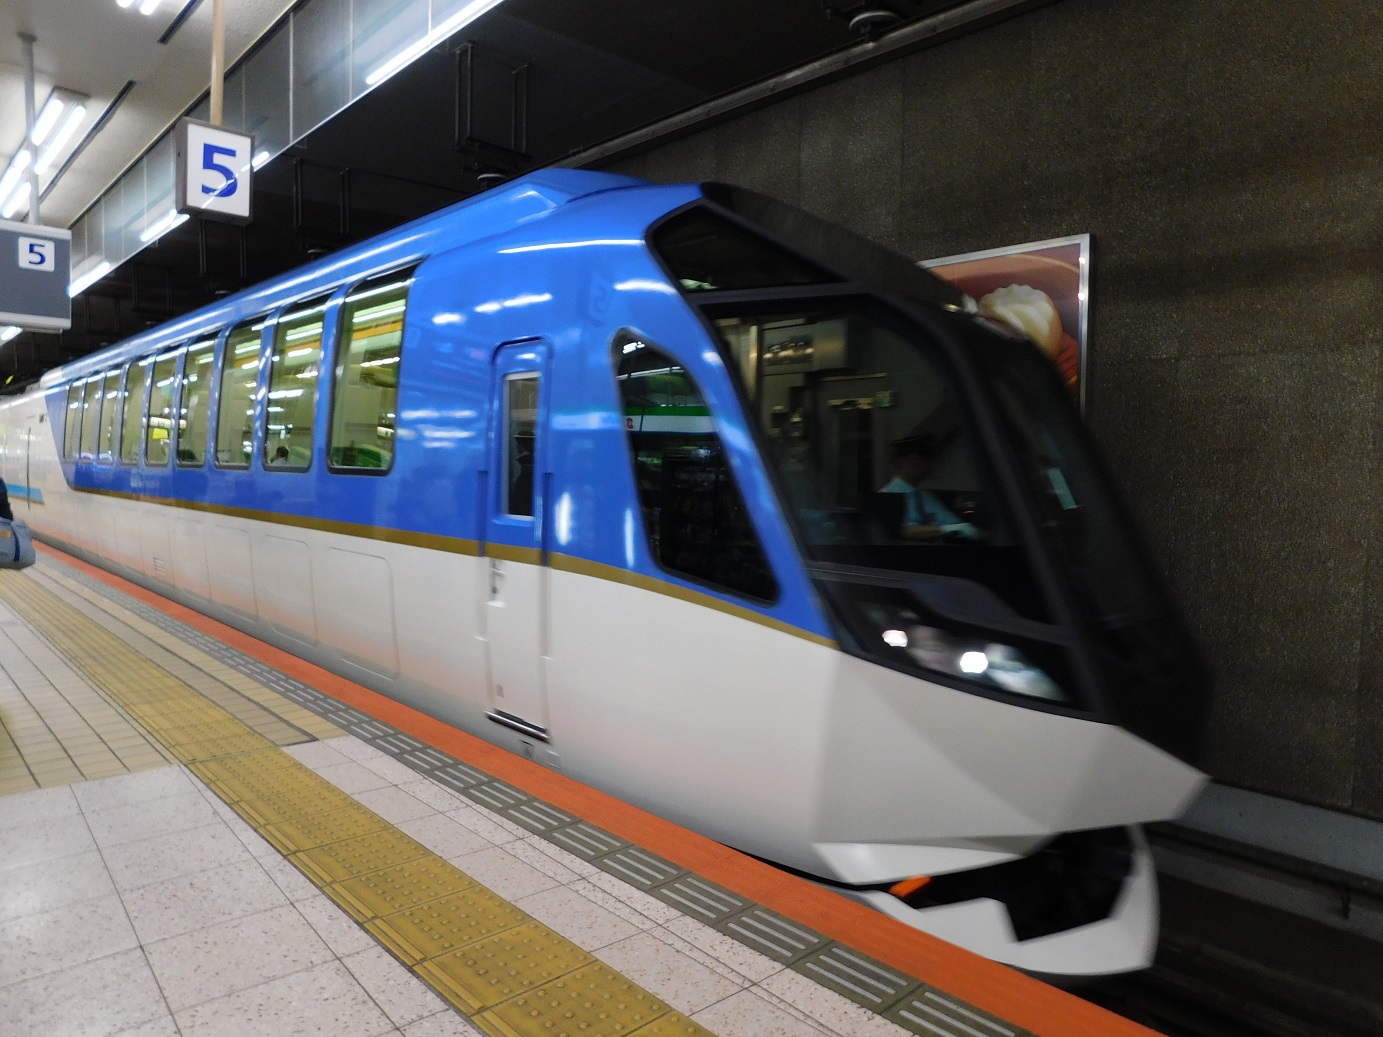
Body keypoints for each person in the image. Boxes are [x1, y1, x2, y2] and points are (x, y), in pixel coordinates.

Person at [880, 436, 979, 541]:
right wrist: (946, 529)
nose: (927, 464)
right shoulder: (886, 496)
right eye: (917, 458)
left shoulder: (926, 498)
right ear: (902, 461)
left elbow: (961, 526)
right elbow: (900, 531)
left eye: (927, 458)